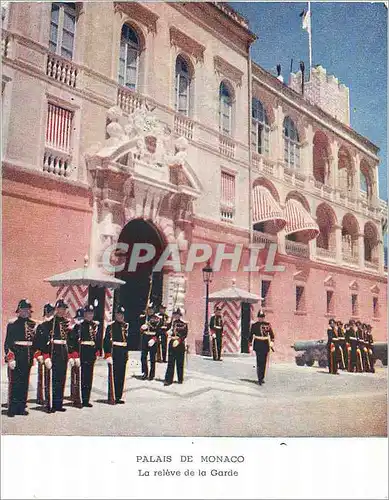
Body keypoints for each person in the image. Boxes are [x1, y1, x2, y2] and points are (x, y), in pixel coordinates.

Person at [35, 299, 72, 413]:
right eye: (61, 308)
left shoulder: (66, 322)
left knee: (61, 378)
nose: (62, 311)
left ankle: (58, 404)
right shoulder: (50, 322)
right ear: (57, 309)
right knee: (52, 379)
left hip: (63, 351)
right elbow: (43, 340)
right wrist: (45, 356)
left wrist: (70, 355)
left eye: (64, 309)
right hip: (53, 351)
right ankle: (49, 404)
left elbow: (70, 340)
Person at [4, 299, 38, 417]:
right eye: (23, 309)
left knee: (24, 383)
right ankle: (12, 408)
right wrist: (10, 358)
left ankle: (21, 407)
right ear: (19, 310)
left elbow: (34, 343)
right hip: (16, 356)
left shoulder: (32, 324)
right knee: (15, 383)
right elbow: (7, 343)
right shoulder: (12, 324)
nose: (25, 311)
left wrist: (33, 355)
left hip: (27, 356)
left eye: (27, 309)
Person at [103, 305, 129, 404]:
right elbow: (106, 341)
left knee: (121, 375)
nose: (120, 316)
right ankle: (112, 396)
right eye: (118, 314)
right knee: (114, 375)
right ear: (115, 315)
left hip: (123, 352)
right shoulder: (111, 326)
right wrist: (108, 354)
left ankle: (118, 396)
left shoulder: (126, 326)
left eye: (122, 314)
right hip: (115, 352)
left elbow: (128, 341)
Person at [35, 303, 55, 405]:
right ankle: (41, 396)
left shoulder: (56, 325)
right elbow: (36, 343)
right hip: (43, 355)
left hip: (55, 354)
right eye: (49, 312)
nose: (51, 314)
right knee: (42, 377)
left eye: (52, 312)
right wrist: (39, 355)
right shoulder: (41, 327)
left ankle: (52, 398)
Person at [248, 310, 275, 385]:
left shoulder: (268, 324)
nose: (261, 318)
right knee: (259, 362)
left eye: (262, 317)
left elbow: (272, 335)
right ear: (258, 317)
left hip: (265, 344)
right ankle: (259, 378)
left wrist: (272, 342)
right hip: (258, 344)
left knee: (264, 362)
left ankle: (262, 377)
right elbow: (250, 335)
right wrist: (250, 344)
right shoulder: (254, 325)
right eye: (260, 317)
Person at [164, 308, 188, 386]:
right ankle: (168, 379)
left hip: (179, 343)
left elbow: (184, 334)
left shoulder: (184, 324)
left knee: (180, 362)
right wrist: (168, 328)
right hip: (172, 342)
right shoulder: (171, 323)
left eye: (177, 314)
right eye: (174, 314)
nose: (175, 316)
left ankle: (180, 378)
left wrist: (179, 340)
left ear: (180, 315)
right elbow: (166, 329)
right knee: (171, 362)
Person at [68, 308, 84, 407]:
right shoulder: (74, 329)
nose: (80, 320)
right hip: (76, 355)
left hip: (85, 355)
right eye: (78, 318)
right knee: (75, 376)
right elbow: (71, 343)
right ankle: (75, 394)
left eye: (81, 317)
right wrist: (73, 355)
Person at [140, 306, 160, 380]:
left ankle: (152, 374)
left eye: (151, 309)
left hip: (152, 338)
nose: (150, 311)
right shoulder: (143, 318)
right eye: (149, 309)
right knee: (143, 357)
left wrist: (154, 339)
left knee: (152, 358)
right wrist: (142, 328)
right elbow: (140, 330)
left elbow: (158, 331)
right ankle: (145, 372)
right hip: (145, 338)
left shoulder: (157, 319)